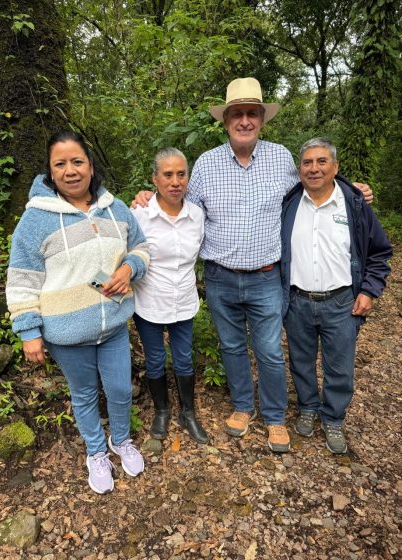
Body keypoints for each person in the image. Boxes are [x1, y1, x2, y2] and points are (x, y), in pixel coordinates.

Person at [133, 77, 372, 453]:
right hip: (220, 278)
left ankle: (275, 416)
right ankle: (244, 406)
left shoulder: (281, 158)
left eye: (251, 114)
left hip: (266, 277)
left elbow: (315, 184)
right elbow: (178, 203)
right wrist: (146, 197)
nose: (244, 121)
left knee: (270, 350)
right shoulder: (207, 164)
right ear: (226, 121)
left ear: (261, 119)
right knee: (231, 347)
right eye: (237, 114)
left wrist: (350, 190)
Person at [6, 130, 150, 494]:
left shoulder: (116, 209)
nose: (70, 170)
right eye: (60, 164)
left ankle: (121, 440)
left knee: (120, 389)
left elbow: (141, 246)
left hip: (113, 325)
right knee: (84, 394)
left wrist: (130, 267)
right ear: (50, 171)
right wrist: (28, 331)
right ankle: (96, 452)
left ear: (90, 165)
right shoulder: (35, 221)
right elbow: (22, 279)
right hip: (67, 333)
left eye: (77, 161)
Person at [281, 138, 392, 453]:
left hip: (342, 301)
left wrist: (369, 291)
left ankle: (333, 418)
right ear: (299, 169)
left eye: (321, 161)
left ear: (335, 167)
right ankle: (307, 407)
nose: (314, 168)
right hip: (298, 300)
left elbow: (379, 252)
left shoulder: (354, 205)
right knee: (301, 362)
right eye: (307, 162)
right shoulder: (289, 204)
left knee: (340, 367)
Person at [131, 148, 208, 444]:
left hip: (183, 300)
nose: (175, 182)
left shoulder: (196, 215)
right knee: (154, 359)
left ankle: (188, 412)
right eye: (167, 175)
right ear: (155, 179)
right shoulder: (140, 214)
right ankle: (162, 411)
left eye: (181, 174)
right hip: (149, 301)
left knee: (184, 359)